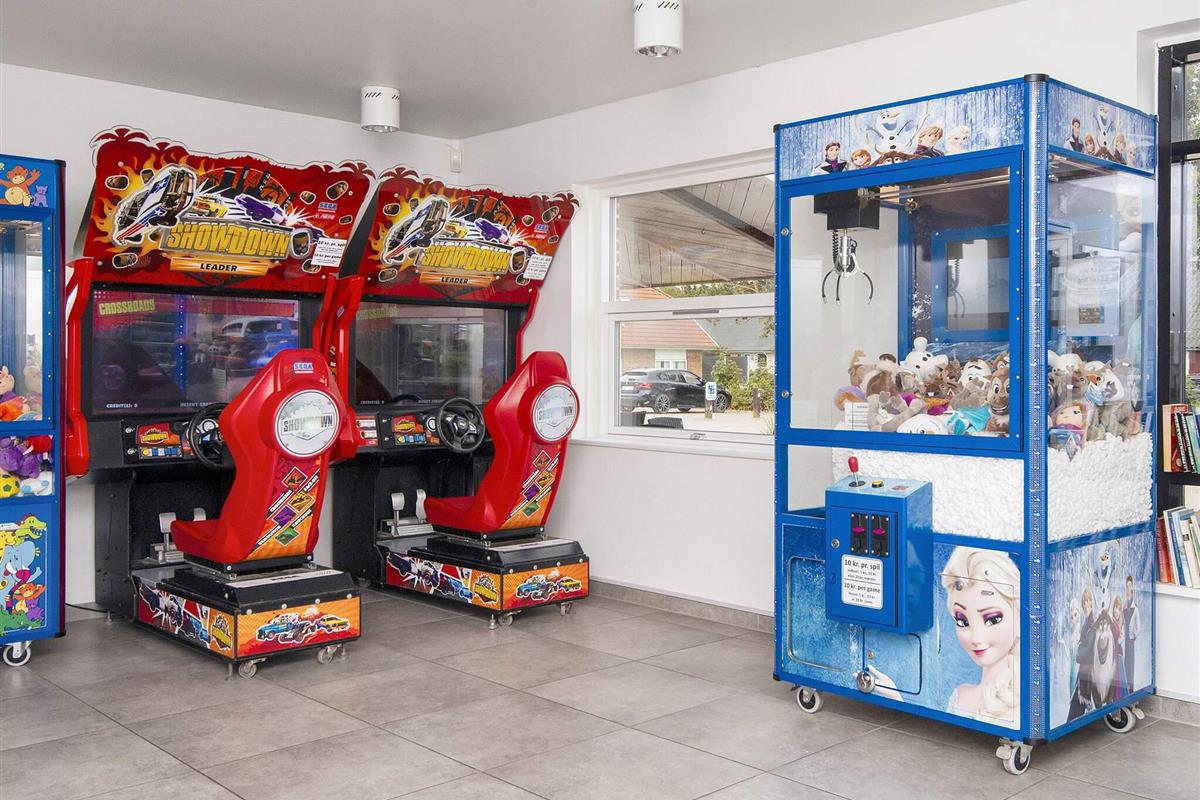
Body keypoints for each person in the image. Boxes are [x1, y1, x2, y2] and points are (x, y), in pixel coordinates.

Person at [940, 547, 1021, 726]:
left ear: (1019, 617)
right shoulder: (960, 694)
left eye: (992, 619)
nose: (975, 638)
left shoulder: (1020, 709)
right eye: (962, 621)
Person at [1122, 575, 1140, 690]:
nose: (1128, 589)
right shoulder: (1124, 607)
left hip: (1131, 640)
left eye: (1130, 586)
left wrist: (1133, 636)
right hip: (1125, 640)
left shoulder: (1135, 608)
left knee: (1131, 663)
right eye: (1126, 586)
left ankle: (1131, 686)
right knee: (1125, 662)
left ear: (1132, 587)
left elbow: (1138, 627)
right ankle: (1125, 686)